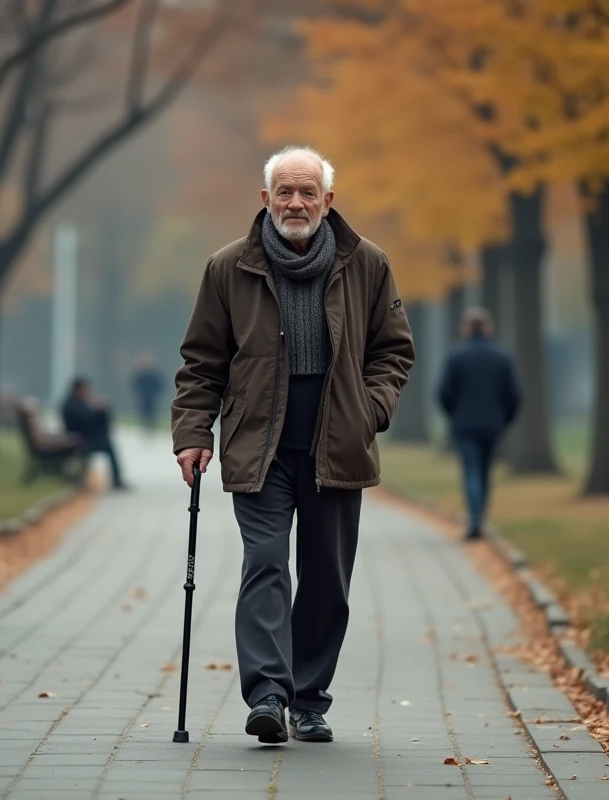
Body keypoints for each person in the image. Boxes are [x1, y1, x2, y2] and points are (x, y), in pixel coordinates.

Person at [171, 145, 414, 745]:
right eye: (285, 192)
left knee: (327, 579)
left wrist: (372, 410)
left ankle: (309, 699)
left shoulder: (368, 263)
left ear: (329, 201)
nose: (296, 203)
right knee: (265, 564)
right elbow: (202, 362)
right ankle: (269, 697)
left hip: (339, 444)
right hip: (261, 445)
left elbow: (393, 351)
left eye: (308, 192)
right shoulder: (229, 267)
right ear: (266, 200)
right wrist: (193, 434)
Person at [437, 307, 521, 541]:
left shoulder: (456, 357)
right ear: (488, 329)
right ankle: (479, 518)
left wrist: (454, 414)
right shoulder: (503, 357)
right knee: (485, 473)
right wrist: (505, 419)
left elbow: (444, 392)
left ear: (465, 329)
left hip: (464, 425)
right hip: (493, 425)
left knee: (470, 472)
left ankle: (474, 520)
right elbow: (514, 395)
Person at [61, 376, 129, 491]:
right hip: (80, 440)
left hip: (82, 438)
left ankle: (116, 480)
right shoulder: (72, 404)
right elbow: (84, 420)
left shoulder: (75, 402)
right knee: (109, 447)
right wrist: (99, 410)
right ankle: (116, 480)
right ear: (79, 389)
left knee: (108, 444)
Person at [131, 352, 164, 433]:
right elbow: (135, 384)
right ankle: (144, 427)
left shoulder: (154, 373)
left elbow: (159, 384)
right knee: (143, 412)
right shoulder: (140, 373)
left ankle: (151, 427)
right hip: (143, 396)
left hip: (152, 396)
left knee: (152, 412)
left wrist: (156, 392)